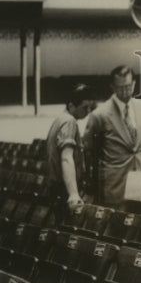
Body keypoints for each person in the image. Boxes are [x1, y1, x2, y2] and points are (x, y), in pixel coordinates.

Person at [83, 65, 141, 206]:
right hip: (114, 185)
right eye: (120, 88)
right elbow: (89, 151)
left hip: (140, 182)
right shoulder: (99, 115)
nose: (125, 91)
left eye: (128, 87)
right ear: (112, 87)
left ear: (134, 84)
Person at [45, 83, 97, 218]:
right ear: (71, 106)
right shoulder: (69, 122)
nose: (88, 111)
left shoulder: (59, 119)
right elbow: (66, 157)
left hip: (56, 188)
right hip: (64, 190)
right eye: (85, 107)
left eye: (90, 107)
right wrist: (73, 193)